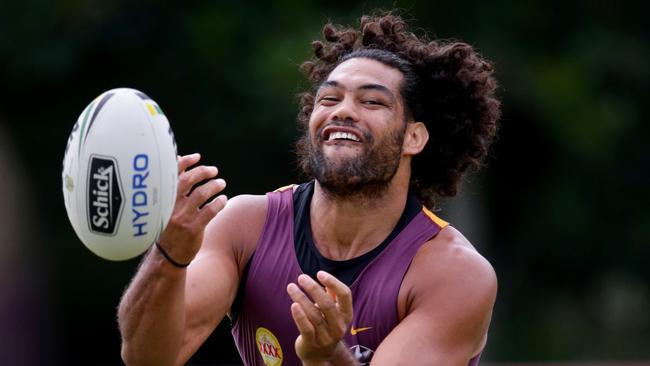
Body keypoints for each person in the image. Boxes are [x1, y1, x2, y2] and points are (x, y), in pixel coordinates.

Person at [118, 11, 501, 366]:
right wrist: (168, 255)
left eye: (371, 101)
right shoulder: (245, 226)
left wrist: (327, 356)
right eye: (329, 98)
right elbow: (148, 359)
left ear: (413, 138)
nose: (342, 110)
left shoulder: (454, 274)